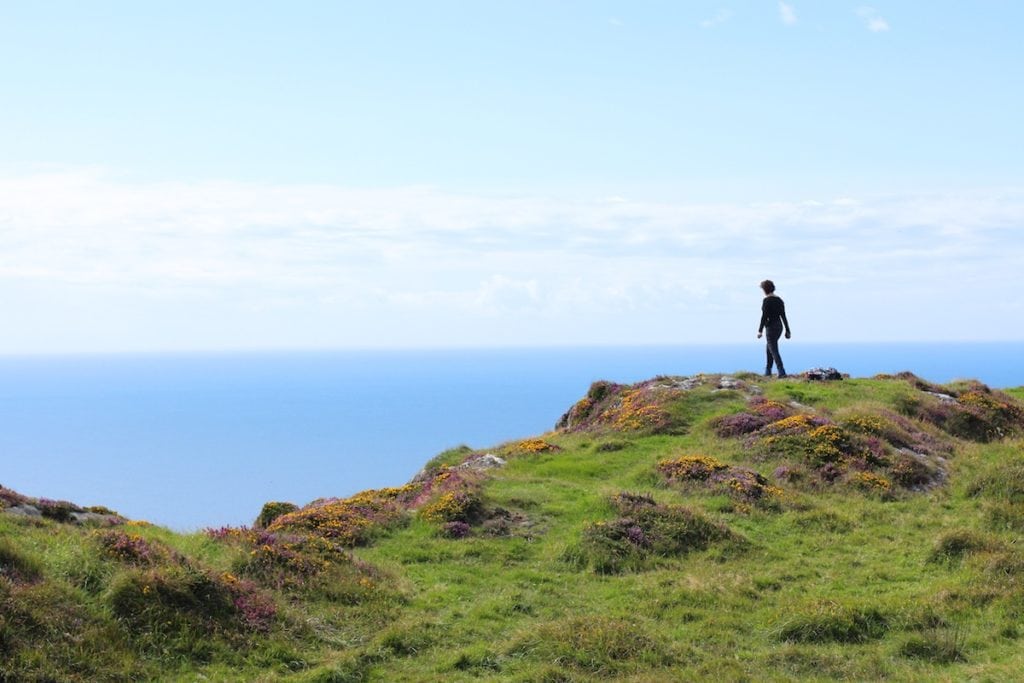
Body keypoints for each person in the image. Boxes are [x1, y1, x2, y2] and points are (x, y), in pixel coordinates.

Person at [757, 280, 791, 378]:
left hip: (770, 327)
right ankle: (768, 371)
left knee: (773, 349)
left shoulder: (766, 301)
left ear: (765, 289)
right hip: (779, 327)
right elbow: (783, 316)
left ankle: (781, 371)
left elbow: (764, 317)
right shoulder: (779, 300)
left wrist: (760, 330)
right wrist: (787, 330)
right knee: (769, 348)